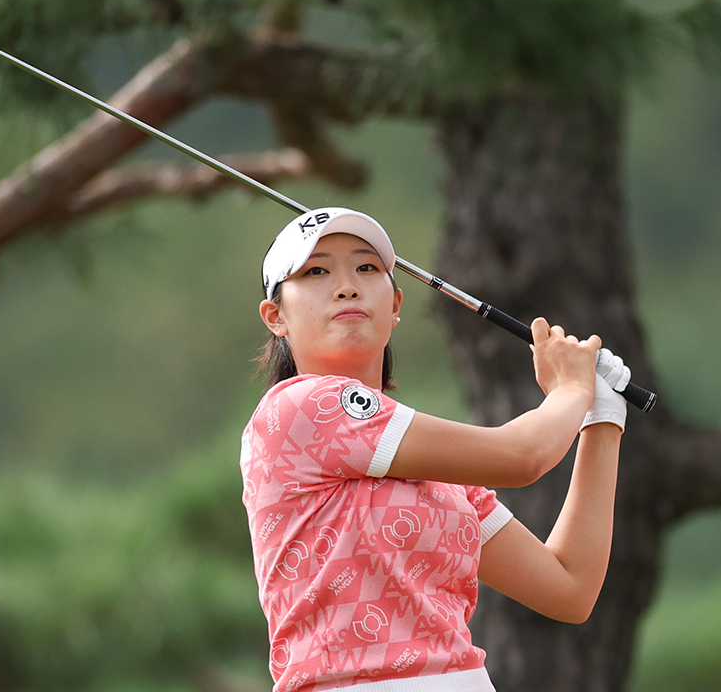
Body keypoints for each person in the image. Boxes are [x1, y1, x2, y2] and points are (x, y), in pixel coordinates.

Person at [240, 208, 629, 692]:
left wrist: (602, 419)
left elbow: (570, 587)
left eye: (366, 268)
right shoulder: (301, 406)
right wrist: (570, 389)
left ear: (397, 302)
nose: (347, 286)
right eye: (316, 271)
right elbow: (521, 456)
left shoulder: (436, 467)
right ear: (275, 316)